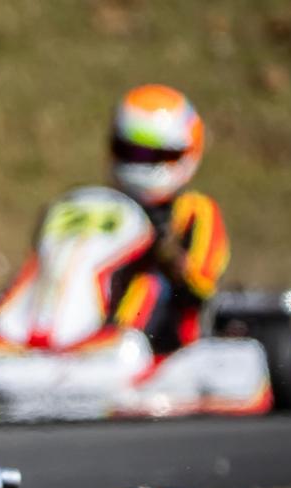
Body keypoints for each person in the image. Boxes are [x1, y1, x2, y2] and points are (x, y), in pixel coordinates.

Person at [107, 84, 229, 351]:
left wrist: (164, 251)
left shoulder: (195, 211)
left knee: (150, 279)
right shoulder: (105, 207)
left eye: (152, 155)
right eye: (132, 152)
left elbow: (199, 288)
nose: (139, 162)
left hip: (167, 343)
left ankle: (117, 341)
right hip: (93, 322)